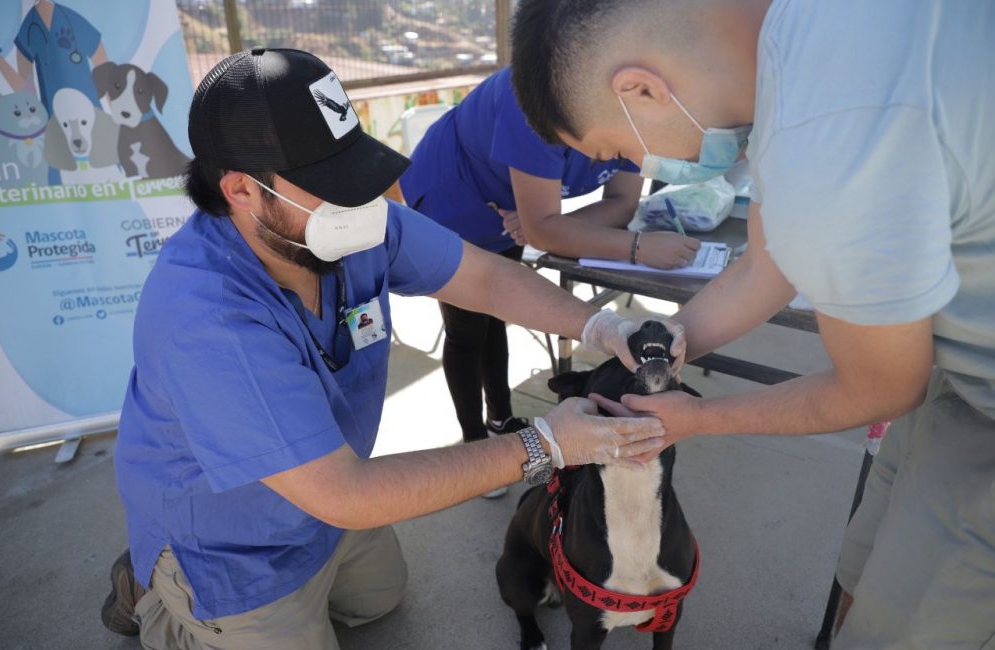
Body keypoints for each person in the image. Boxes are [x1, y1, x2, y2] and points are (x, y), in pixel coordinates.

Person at [100, 48, 672, 650]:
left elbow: (483, 277)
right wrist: (545, 444)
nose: (360, 202)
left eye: (353, 171)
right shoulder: (207, 318)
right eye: (328, 184)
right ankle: (156, 593)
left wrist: (602, 327)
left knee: (381, 597)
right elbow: (347, 494)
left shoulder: (345, 224)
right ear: (243, 189)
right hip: (233, 541)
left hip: (323, 502)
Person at [511, 0, 994, 647]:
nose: (638, 162)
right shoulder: (800, 49)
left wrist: (694, 417)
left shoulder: (825, 146)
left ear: (641, 89)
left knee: (913, 622)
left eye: (620, 147)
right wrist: (667, 339)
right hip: (952, 374)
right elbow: (763, 267)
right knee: (871, 554)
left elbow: (879, 388)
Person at [400, 67, 699, 492]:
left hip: (510, 208)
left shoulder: (637, 112)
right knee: (467, 326)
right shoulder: (536, 102)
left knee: (495, 312)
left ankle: (500, 419)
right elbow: (547, 230)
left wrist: (550, 225)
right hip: (457, 195)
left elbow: (619, 203)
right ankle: (473, 442)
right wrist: (562, 230)